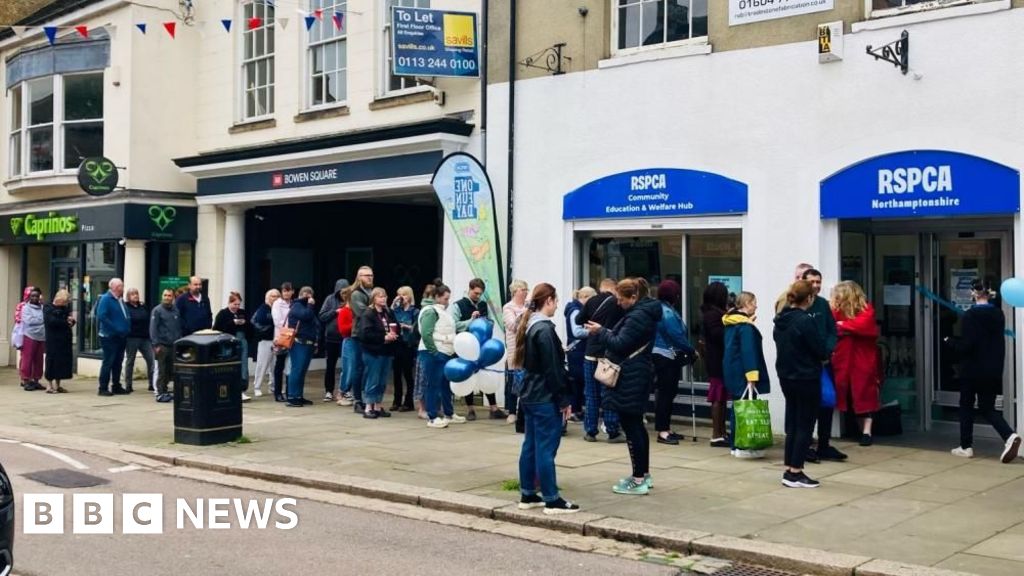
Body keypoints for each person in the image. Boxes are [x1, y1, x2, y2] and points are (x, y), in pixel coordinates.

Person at [585, 278, 661, 495]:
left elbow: (620, 343)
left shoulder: (638, 316)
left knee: (631, 426)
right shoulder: (643, 313)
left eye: (621, 299)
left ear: (634, 297)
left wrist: (600, 332)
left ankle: (638, 479)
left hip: (631, 376)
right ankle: (642, 475)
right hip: (636, 374)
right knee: (636, 424)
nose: (618, 303)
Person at [515, 282, 580, 514]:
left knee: (530, 446)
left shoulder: (532, 326)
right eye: (555, 301)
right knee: (545, 448)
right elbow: (553, 369)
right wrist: (564, 400)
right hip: (544, 396)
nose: (557, 306)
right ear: (549, 301)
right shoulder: (544, 329)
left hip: (530, 395)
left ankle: (528, 493)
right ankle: (552, 498)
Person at [947, 279, 1020, 463]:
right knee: (987, 407)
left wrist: (950, 342)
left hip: (971, 369)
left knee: (966, 405)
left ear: (973, 293)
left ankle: (966, 446)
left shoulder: (970, 316)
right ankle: (1009, 435)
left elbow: (967, 346)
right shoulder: (999, 314)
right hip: (993, 369)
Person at [774, 281, 829, 488]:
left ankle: (790, 467)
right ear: (809, 299)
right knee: (805, 424)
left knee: (794, 423)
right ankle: (795, 471)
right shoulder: (805, 321)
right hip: (806, 376)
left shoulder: (781, 319)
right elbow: (820, 349)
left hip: (786, 376)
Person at [830, 281, 881, 447]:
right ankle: (859, 430)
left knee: (863, 393)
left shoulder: (866, 309)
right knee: (848, 393)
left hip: (861, 359)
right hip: (843, 358)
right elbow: (833, 327)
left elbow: (863, 326)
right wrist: (847, 328)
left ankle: (866, 431)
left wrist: (844, 326)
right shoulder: (836, 310)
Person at [802, 268, 843, 463]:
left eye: (819, 282)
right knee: (807, 407)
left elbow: (831, 331)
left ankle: (824, 445)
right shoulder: (795, 304)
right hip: (804, 365)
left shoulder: (822, 305)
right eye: (812, 282)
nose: (816, 285)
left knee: (826, 402)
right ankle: (806, 446)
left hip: (823, 363)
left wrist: (826, 351)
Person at [576, 278, 625, 443]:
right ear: (614, 288)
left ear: (601, 288)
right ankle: (612, 431)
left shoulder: (591, 301)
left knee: (591, 394)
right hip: (608, 354)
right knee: (609, 392)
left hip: (590, 353)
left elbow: (578, 320)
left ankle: (590, 431)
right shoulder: (618, 304)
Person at [723, 292, 771, 458]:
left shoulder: (732, 324)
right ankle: (743, 446)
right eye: (754, 302)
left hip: (733, 372)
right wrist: (752, 377)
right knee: (744, 409)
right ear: (747, 304)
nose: (756, 306)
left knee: (738, 408)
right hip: (744, 374)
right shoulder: (745, 327)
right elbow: (748, 352)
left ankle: (735, 445)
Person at [451, 278, 506, 420]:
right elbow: (455, 325)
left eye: (480, 293)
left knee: (486, 373)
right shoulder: (458, 305)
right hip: (466, 345)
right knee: (468, 374)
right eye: (476, 293)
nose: (478, 296)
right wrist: (471, 320)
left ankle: (493, 408)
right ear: (470, 289)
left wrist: (488, 323)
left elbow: (486, 321)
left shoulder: (482, 304)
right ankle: (470, 409)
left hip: (481, 344)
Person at [652, 280, 696, 445]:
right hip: (667, 357)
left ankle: (666, 428)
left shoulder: (661, 308)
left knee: (667, 394)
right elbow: (676, 334)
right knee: (665, 394)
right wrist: (690, 349)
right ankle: (663, 431)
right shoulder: (667, 312)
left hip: (663, 355)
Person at [418, 282, 465, 427]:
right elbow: (426, 333)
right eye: (445, 298)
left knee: (445, 384)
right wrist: (434, 352)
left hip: (444, 352)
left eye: (448, 298)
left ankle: (449, 413)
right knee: (433, 384)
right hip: (433, 352)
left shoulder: (443, 312)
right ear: (437, 297)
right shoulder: (430, 311)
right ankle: (432, 416)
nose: (447, 302)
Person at [357, 287, 399, 419]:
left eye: (385, 296)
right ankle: (368, 406)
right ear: (374, 298)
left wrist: (394, 334)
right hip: (373, 352)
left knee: (382, 380)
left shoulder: (388, 312)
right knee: (373, 379)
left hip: (386, 351)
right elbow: (365, 333)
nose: (383, 299)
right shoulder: (368, 313)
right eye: (380, 296)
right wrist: (383, 337)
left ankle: (378, 405)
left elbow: (395, 325)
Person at [701, 282, 730, 447]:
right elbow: (717, 334)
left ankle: (722, 431)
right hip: (716, 360)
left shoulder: (714, 313)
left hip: (718, 360)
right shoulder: (712, 314)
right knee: (718, 397)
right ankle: (716, 434)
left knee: (722, 397)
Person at [564, 287, 595, 424]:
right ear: (586, 297)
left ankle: (576, 410)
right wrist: (592, 331)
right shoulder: (576, 310)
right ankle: (575, 411)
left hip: (577, 351)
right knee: (577, 382)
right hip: (578, 351)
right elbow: (577, 332)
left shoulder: (575, 308)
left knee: (577, 382)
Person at [214, 292, 253, 402]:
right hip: (227, 343)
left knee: (243, 365)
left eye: (238, 304)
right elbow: (217, 328)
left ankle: (241, 389)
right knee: (228, 365)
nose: (236, 307)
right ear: (229, 303)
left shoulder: (243, 313)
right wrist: (232, 323)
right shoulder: (223, 314)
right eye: (234, 304)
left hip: (242, 342)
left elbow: (250, 328)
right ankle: (226, 389)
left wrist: (244, 323)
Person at [284, 286, 319, 407]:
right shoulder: (297, 305)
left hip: (308, 342)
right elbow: (306, 316)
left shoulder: (305, 306)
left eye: (310, 294)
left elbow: (314, 324)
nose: (308, 297)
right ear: (300, 294)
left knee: (302, 371)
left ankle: (299, 395)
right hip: (299, 342)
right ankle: (292, 397)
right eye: (306, 294)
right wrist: (310, 305)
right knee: (297, 369)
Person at [347, 266, 375, 413]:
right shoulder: (356, 294)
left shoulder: (372, 292)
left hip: (370, 335)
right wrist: (376, 310)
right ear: (359, 277)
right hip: (358, 335)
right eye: (366, 276)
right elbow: (363, 313)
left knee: (368, 368)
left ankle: (366, 398)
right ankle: (357, 400)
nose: (369, 278)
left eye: (371, 275)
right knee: (358, 368)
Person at [503, 279, 530, 425]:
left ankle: (523, 411)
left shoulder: (527, 306)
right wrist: (525, 314)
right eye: (523, 289)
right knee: (514, 381)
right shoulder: (508, 307)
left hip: (528, 347)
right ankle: (512, 411)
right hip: (515, 349)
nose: (525, 292)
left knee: (526, 380)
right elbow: (512, 325)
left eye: (527, 289)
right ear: (515, 291)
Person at [97, 278, 130, 396]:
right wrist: (116, 328)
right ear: (115, 287)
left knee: (118, 362)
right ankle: (103, 387)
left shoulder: (119, 300)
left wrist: (126, 328)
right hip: (109, 336)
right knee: (108, 361)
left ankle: (116, 385)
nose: (123, 288)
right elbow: (102, 316)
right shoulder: (106, 299)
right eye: (121, 286)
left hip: (121, 336)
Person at [319, 278, 350, 402]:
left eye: (345, 292)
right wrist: (335, 311)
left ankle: (346, 390)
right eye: (341, 292)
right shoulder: (330, 299)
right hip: (331, 338)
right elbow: (322, 315)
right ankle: (328, 391)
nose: (343, 294)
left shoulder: (351, 299)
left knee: (347, 366)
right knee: (330, 366)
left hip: (346, 337)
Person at [150, 288, 182, 403]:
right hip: (162, 345)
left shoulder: (176, 311)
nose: (167, 298)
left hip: (174, 345)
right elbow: (153, 329)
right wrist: (156, 344)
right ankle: (160, 393)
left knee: (170, 370)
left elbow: (178, 328)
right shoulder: (157, 311)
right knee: (161, 370)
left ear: (173, 297)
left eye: (169, 296)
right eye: (165, 295)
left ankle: (166, 391)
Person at [390, 286, 420, 412]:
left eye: (403, 294)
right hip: (397, 343)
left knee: (408, 374)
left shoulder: (415, 311)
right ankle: (396, 400)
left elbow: (417, 328)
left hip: (408, 344)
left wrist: (407, 327)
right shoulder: (397, 310)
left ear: (409, 296)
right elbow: (390, 316)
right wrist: (393, 303)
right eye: (399, 294)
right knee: (396, 373)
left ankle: (409, 402)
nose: (401, 297)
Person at [123, 288, 155, 395]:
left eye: (136, 293)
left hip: (145, 337)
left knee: (151, 359)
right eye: (132, 294)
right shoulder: (126, 307)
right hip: (132, 337)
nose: (135, 296)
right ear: (128, 296)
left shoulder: (143, 307)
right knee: (130, 361)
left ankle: (152, 384)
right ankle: (128, 385)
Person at [43, 289, 74, 393]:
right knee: (52, 361)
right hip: (53, 339)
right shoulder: (48, 307)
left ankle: (58, 385)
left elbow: (69, 320)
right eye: (64, 302)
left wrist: (71, 321)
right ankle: (49, 385)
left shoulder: (64, 308)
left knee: (61, 362)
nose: (65, 304)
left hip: (64, 339)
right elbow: (51, 321)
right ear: (59, 299)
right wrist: (66, 321)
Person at [250, 289, 280, 398]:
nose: (275, 298)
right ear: (267, 298)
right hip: (265, 341)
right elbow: (259, 321)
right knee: (262, 365)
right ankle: (257, 387)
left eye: (277, 296)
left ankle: (273, 386)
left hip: (278, 340)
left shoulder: (279, 308)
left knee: (275, 366)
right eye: (273, 296)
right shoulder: (263, 309)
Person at [19, 288, 46, 391]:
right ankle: (26, 380)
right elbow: (29, 321)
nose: (35, 298)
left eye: (37, 296)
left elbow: (46, 318)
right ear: (29, 297)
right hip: (30, 336)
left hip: (41, 336)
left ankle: (36, 380)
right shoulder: (26, 308)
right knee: (28, 359)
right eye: (32, 296)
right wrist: (42, 320)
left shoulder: (43, 308)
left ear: (40, 297)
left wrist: (40, 320)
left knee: (39, 360)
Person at [271, 282, 294, 402]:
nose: (286, 293)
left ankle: (290, 391)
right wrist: (289, 330)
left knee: (290, 366)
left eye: (288, 290)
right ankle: (278, 393)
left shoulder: (293, 304)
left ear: (292, 291)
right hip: (282, 336)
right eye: (284, 291)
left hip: (292, 337)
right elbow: (278, 321)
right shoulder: (277, 304)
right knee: (279, 366)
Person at [336, 286, 357, 407]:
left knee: (356, 368)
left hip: (358, 341)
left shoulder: (356, 311)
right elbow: (343, 330)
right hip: (349, 341)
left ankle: (351, 392)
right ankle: (342, 392)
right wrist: (355, 323)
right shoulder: (344, 311)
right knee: (348, 368)